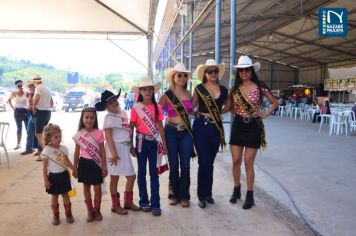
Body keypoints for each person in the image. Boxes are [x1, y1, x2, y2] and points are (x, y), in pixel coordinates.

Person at [225, 55, 277, 209]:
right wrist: (237, 113)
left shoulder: (260, 86)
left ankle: (250, 194)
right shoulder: (234, 89)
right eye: (241, 70)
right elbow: (229, 107)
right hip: (238, 125)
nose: (244, 72)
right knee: (235, 161)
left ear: (251, 70)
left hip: (254, 126)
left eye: (246, 69)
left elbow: (275, 102)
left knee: (248, 162)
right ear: (238, 72)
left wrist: (264, 114)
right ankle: (236, 189)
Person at [95, 89, 140, 215]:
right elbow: (108, 137)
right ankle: (115, 205)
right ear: (106, 107)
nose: (114, 103)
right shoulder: (108, 118)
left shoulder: (124, 113)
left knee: (131, 176)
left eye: (115, 100)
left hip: (125, 148)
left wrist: (131, 147)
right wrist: (114, 153)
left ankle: (128, 202)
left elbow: (128, 132)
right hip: (114, 150)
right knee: (114, 178)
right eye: (110, 103)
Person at [192, 59, 228, 209]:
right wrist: (195, 113)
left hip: (215, 127)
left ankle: (208, 193)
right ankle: (201, 195)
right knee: (204, 162)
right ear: (205, 73)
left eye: (215, 71)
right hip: (201, 126)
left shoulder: (224, 90)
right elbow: (190, 105)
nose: (213, 74)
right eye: (210, 71)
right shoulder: (199, 88)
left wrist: (220, 113)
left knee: (210, 163)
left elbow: (229, 105)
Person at [159, 63, 194, 208]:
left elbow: (191, 112)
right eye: (179, 75)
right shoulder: (166, 95)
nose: (182, 77)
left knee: (185, 165)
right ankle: (173, 194)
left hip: (186, 132)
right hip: (171, 131)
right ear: (173, 77)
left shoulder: (189, 94)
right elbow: (155, 114)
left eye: (185, 75)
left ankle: (184, 196)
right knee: (174, 165)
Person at [130, 79, 167, 216]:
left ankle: (155, 203)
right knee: (141, 173)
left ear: (153, 90)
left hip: (154, 143)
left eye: (149, 89)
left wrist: (164, 144)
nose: (147, 91)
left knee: (154, 173)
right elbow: (131, 126)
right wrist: (130, 145)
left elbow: (160, 126)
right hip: (140, 142)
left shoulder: (157, 107)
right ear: (140, 91)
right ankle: (143, 201)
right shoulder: (136, 107)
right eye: (144, 89)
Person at [72, 107, 107, 222]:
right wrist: (74, 167)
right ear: (82, 118)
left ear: (95, 119)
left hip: (96, 164)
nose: (89, 120)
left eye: (92, 118)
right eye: (86, 117)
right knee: (86, 188)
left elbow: (102, 151)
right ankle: (90, 211)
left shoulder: (99, 133)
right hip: (84, 163)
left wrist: (104, 166)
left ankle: (97, 210)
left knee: (97, 189)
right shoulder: (79, 134)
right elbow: (77, 152)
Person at [41, 123, 75, 225]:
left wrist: (74, 170)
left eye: (60, 136)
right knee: (54, 196)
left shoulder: (63, 149)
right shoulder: (46, 151)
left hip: (63, 175)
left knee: (65, 195)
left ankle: (69, 214)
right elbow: (44, 168)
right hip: (53, 177)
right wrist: (45, 179)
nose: (59, 139)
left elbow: (68, 162)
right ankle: (56, 216)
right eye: (56, 137)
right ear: (49, 138)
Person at [32, 74, 53, 160]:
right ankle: (43, 154)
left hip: (41, 112)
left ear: (35, 82)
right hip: (48, 112)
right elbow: (52, 102)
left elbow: (37, 97)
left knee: (38, 133)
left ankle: (46, 153)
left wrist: (34, 107)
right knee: (43, 134)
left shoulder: (38, 88)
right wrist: (47, 106)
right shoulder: (47, 88)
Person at [8, 80, 29, 149]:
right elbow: (9, 100)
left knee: (27, 128)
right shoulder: (14, 93)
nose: (20, 87)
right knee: (19, 128)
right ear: (16, 86)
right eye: (19, 86)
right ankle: (18, 144)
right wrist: (12, 107)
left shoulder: (26, 93)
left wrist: (30, 106)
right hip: (17, 111)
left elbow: (31, 100)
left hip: (26, 111)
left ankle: (28, 145)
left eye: (21, 85)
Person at [21, 79, 40, 155]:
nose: (29, 87)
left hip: (36, 114)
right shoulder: (31, 93)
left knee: (38, 133)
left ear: (34, 85)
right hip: (31, 115)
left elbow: (38, 104)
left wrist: (32, 106)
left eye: (31, 85)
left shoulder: (37, 93)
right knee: (29, 132)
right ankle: (29, 149)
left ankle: (39, 149)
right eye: (29, 86)